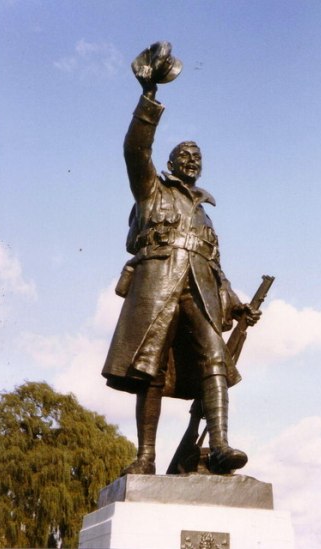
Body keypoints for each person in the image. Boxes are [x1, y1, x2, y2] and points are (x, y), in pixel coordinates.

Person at [102, 42, 259, 475]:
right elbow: (135, 150)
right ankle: (146, 457)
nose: (192, 161)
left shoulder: (206, 214)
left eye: (198, 158)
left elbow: (217, 268)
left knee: (215, 358)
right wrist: (149, 96)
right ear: (171, 163)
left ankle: (222, 445)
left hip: (201, 292)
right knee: (150, 367)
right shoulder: (152, 189)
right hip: (158, 284)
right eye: (185, 156)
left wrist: (235, 301)